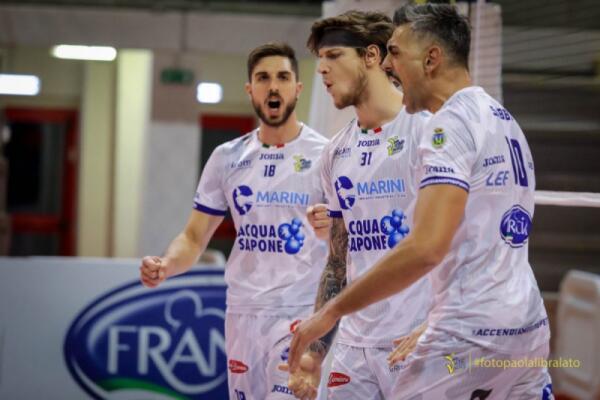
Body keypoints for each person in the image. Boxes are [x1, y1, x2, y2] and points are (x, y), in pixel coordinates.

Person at [287, 4, 553, 400]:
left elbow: (427, 248)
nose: (389, 65)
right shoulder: (501, 118)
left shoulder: (441, 126)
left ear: (431, 59)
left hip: (461, 332)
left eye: (395, 53)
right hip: (522, 324)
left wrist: (331, 312)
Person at [140, 42, 329, 400]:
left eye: (282, 77)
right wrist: (166, 264)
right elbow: (194, 237)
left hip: (299, 311)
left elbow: (345, 240)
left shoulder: (325, 154)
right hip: (242, 313)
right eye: (263, 78)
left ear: (297, 88)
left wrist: (330, 227)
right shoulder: (226, 157)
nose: (273, 87)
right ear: (249, 89)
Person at [280, 11, 432, 400]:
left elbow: (463, 243)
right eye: (320, 59)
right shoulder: (336, 152)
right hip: (354, 346)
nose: (322, 69)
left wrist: (439, 324)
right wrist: (315, 354)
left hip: (417, 341)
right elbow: (337, 263)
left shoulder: (427, 131)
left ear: (371, 56)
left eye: (333, 56)